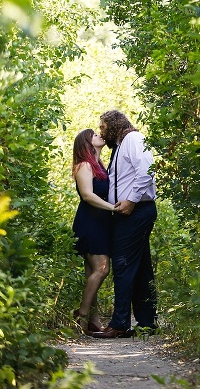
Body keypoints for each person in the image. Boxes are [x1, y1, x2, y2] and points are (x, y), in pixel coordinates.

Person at [92, 110, 158, 338]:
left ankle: (119, 324)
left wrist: (131, 200)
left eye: (103, 128)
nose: (102, 132)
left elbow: (147, 172)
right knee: (140, 267)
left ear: (114, 126)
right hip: (128, 212)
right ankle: (148, 322)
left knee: (122, 265)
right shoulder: (120, 146)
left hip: (135, 211)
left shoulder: (133, 140)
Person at [71, 128, 117, 335]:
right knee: (102, 269)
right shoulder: (84, 165)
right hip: (90, 222)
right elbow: (87, 195)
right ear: (86, 143)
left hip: (101, 222)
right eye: (94, 135)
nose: (99, 135)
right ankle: (81, 315)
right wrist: (113, 208)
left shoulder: (99, 165)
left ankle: (93, 321)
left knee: (92, 273)